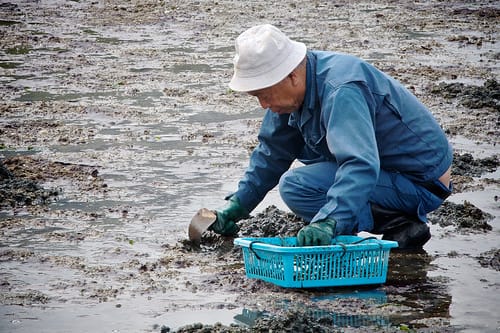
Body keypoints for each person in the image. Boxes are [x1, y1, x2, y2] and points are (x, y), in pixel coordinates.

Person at [206, 24, 452, 249]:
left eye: (264, 94)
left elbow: (360, 163)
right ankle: (378, 218)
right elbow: (272, 153)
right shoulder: (293, 92)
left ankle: (397, 225)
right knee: (304, 176)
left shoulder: (340, 90)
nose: (262, 104)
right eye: (255, 96)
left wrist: (329, 220)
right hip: (386, 172)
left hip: (420, 182)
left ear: (291, 75)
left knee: (299, 186)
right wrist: (237, 206)